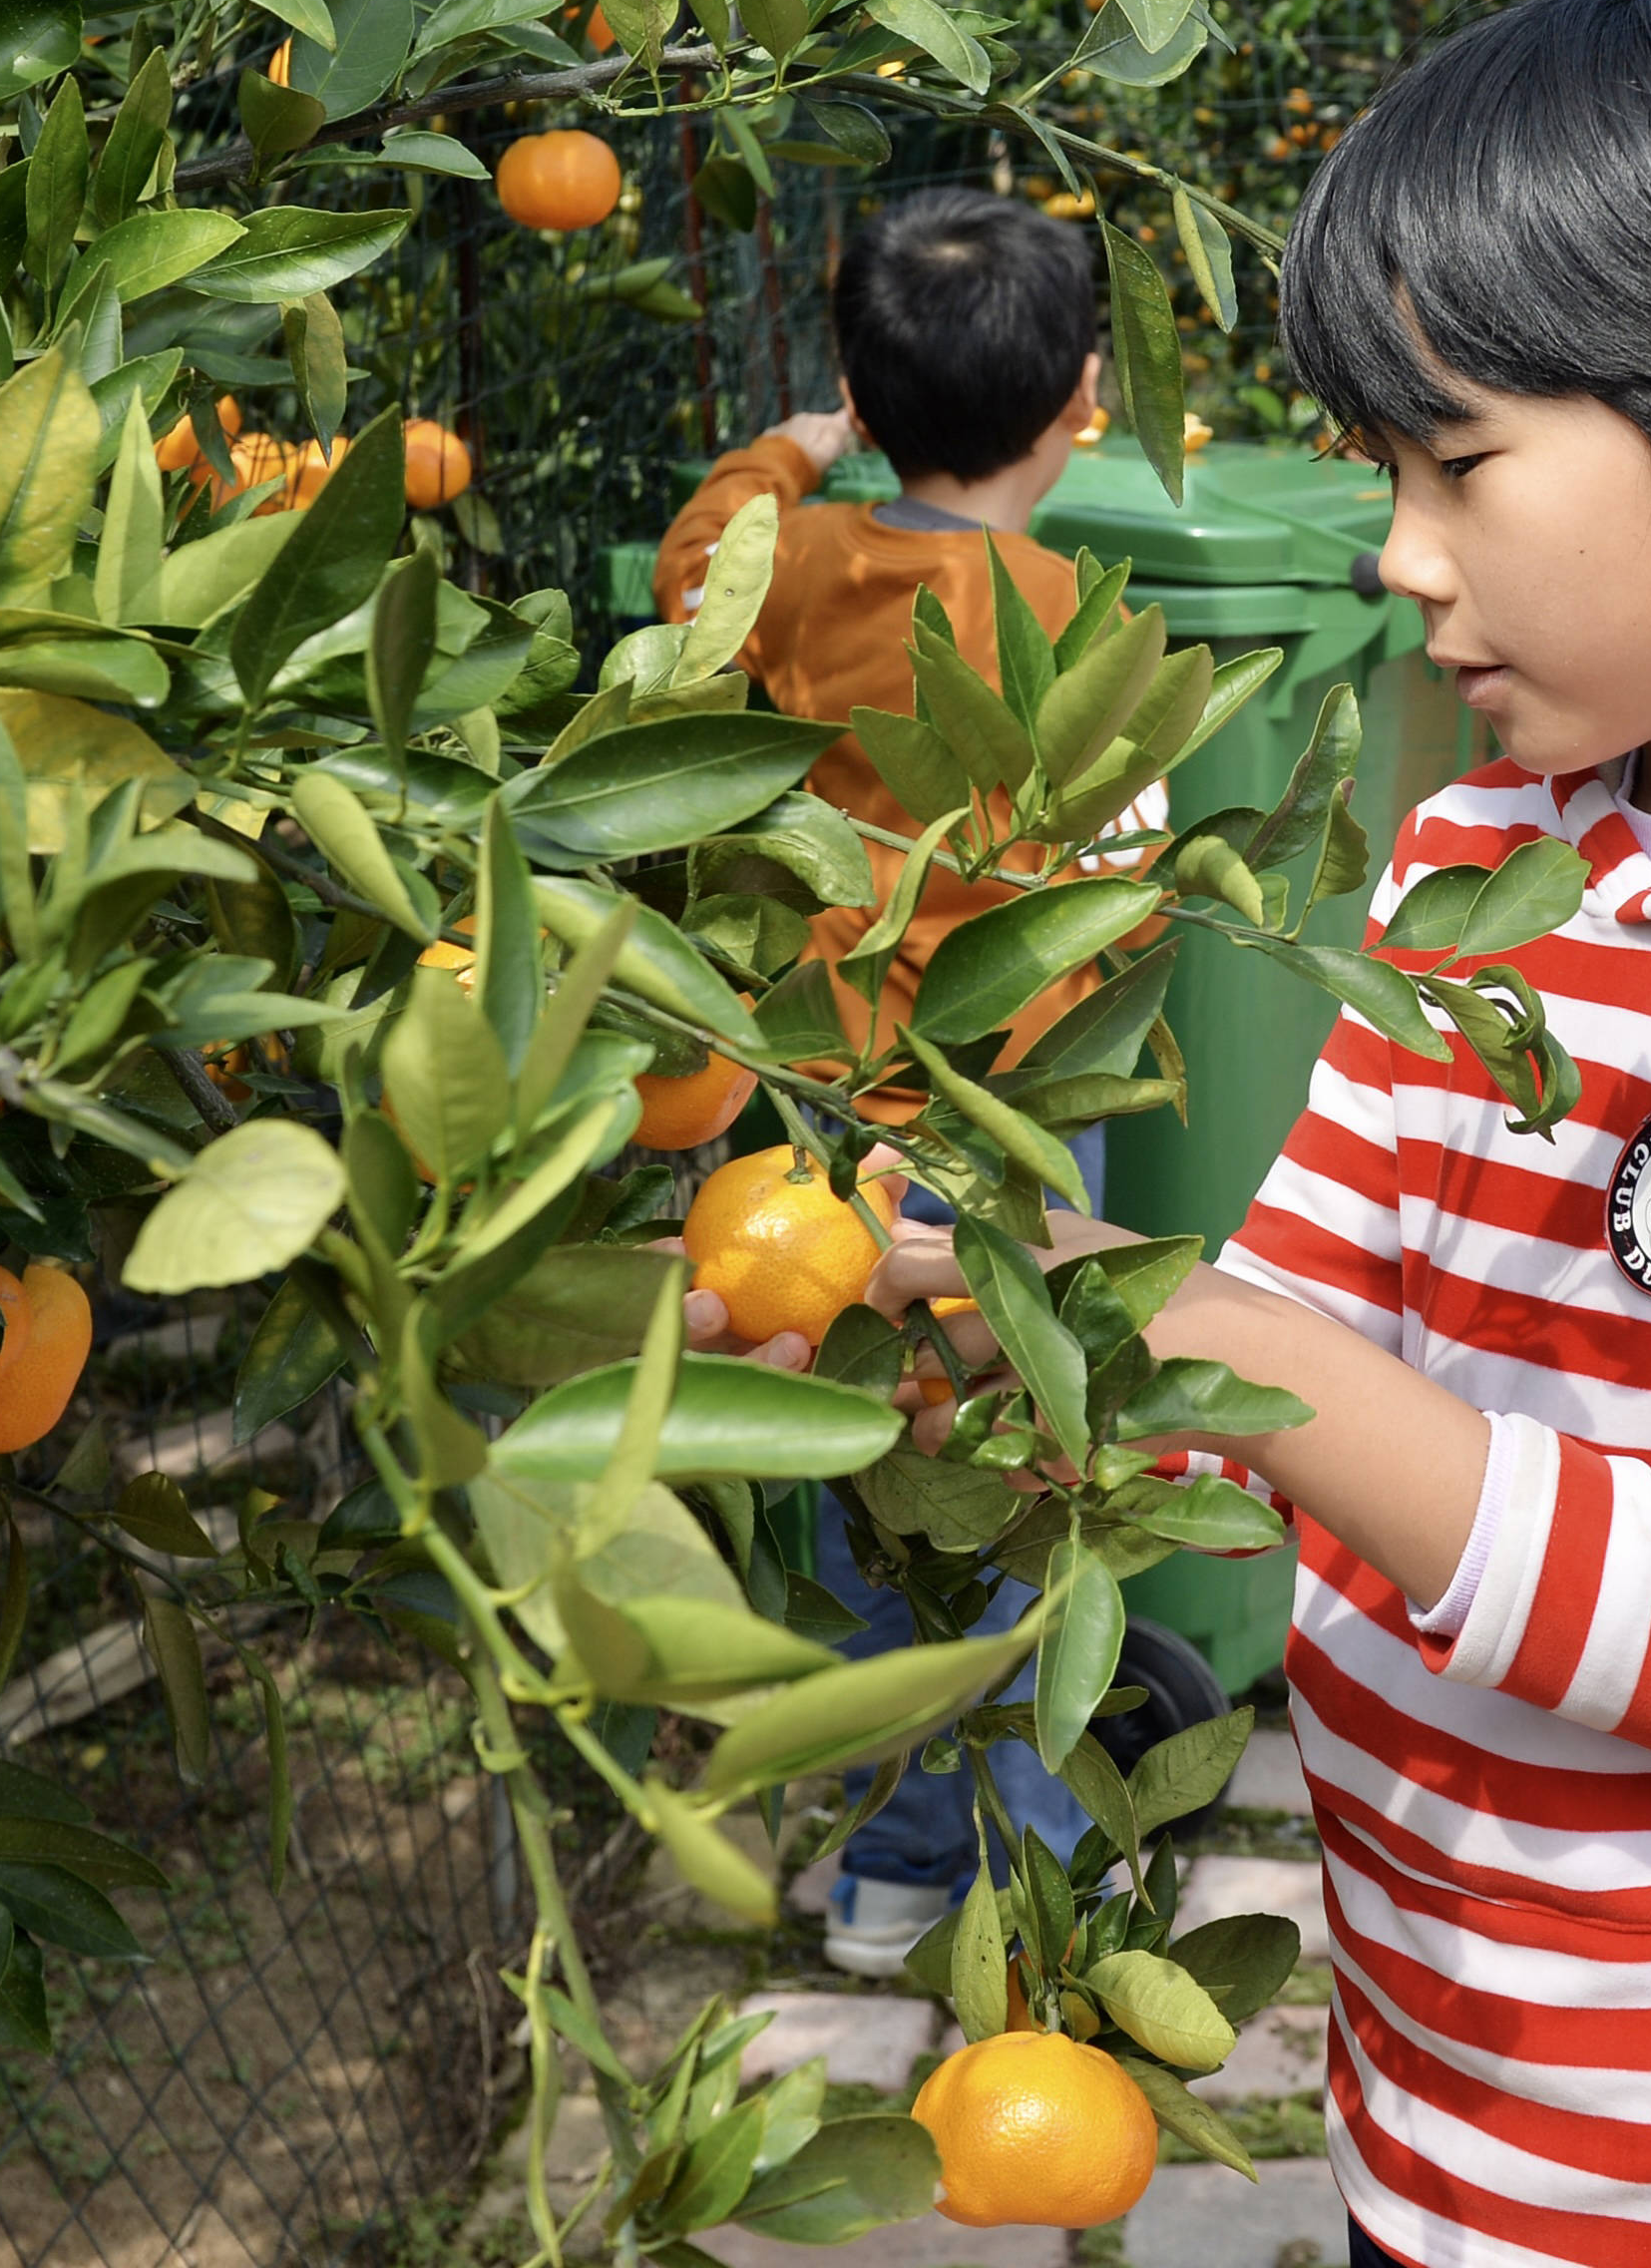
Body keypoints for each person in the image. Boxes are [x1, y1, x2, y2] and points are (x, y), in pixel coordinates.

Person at [709, 0, 1651, 2265]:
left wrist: (1174, 1316)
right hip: (1435, 2121)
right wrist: (994, 1338)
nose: (1394, 556)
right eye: (1380, 476)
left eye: (1455, 466)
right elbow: (1283, 1315)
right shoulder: (1481, 856)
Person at [653, 186, 1115, 1975]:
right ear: (1082, 394)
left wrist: (786, 447)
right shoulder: (1067, 612)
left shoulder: (808, 564)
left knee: (862, 1471)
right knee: (1027, 1482)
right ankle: (1026, 1868)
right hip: (1002, 1124)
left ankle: (886, 1871)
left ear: (856, 373)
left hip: (819, 1128)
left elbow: (699, 562)